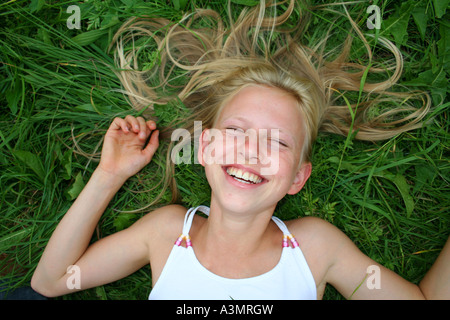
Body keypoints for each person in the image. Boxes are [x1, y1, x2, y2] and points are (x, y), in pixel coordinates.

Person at [31, 0, 449, 299]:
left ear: (298, 178)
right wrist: (109, 176)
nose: (252, 151)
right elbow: (50, 282)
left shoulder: (316, 248)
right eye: (236, 130)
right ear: (205, 146)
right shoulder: (165, 233)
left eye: (278, 141)